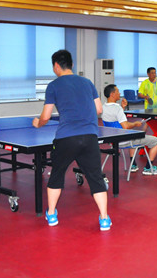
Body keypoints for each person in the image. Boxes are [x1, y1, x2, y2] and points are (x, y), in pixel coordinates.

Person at [32, 50, 111, 231]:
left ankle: (51, 214)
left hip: (66, 138)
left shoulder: (53, 86)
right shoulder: (87, 82)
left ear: (56, 66)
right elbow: (99, 109)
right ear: (72, 64)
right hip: (90, 137)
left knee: (57, 175)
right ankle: (104, 219)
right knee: (96, 178)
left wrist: (38, 123)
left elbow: (46, 116)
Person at [102, 84, 157, 175]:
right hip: (123, 140)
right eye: (117, 91)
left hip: (113, 141)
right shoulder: (117, 108)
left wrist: (122, 108)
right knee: (156, 141)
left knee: (132, 134)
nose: (119, 93)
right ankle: (148, 168)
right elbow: (125, 126)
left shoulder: (103, 107)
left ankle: (133, 165)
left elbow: (115, 120)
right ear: (112, 94)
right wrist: (135, 124)